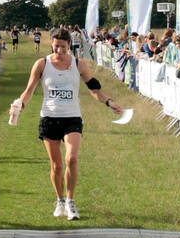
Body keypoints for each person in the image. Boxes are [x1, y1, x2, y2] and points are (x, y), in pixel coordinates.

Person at [13, 28, 123, 221]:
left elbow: (93, 88)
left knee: (71, 158)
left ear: (69, 45)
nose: (59, 50)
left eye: (63, 47)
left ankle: (71, 203)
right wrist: (19, 105)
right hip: (49, 117)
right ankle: (60, 200)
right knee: (56, 166)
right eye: (56, 46)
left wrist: (108, 101)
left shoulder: (78, 64)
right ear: (51, 44)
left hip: (72, 117)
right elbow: (29, 90)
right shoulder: (42, 64)